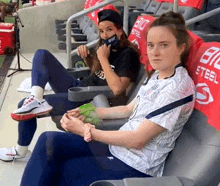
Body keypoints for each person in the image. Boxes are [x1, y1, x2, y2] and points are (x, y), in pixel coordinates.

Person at [5, 11, 195, 186]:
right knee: (48, 142)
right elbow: (128, 109)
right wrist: (87, 113)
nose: (155, 52)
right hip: (118, 148)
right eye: (151, 45)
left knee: (45, 171)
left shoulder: (178, 88)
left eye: (164, 45)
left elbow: (138, 140)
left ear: (181, 47)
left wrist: (88, 131)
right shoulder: (158, 75)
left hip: (134, 166)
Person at [0, 9, 140, 161]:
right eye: (101, 31)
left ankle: (20, 152)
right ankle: (35, 98)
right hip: (80, 87)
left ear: (119, 31)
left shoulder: (128, 54)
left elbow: (118, 89)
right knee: (42, 55)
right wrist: (88, 58)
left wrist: (103, 59)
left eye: (109, 30)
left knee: (22, 106)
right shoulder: (106, 48)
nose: (105, 35)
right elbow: (96, 73)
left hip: (92, 101)